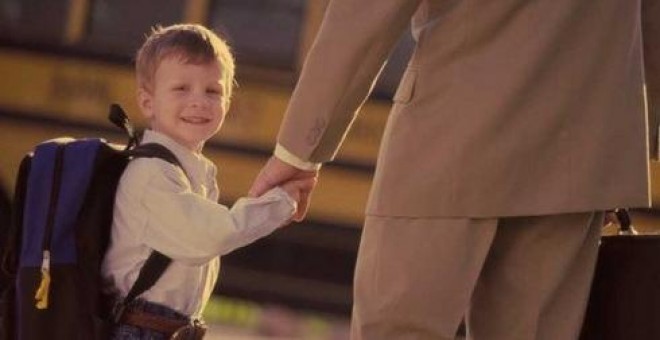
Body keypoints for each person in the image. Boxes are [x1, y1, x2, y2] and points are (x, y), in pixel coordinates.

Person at [249, 1, 657, 339]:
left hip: (449, 140)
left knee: (400, 330)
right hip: (582, 148)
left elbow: (365, 13)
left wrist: (299, 152)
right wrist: (625, 150)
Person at [101, 24, 315, 339]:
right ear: (147, 102)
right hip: (140, 329)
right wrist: (281, 202)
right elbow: (210, 237)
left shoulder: (189, 173)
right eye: (181, 89)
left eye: (212, 91)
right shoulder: (150, 175)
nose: (199, 101)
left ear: (227, 102)